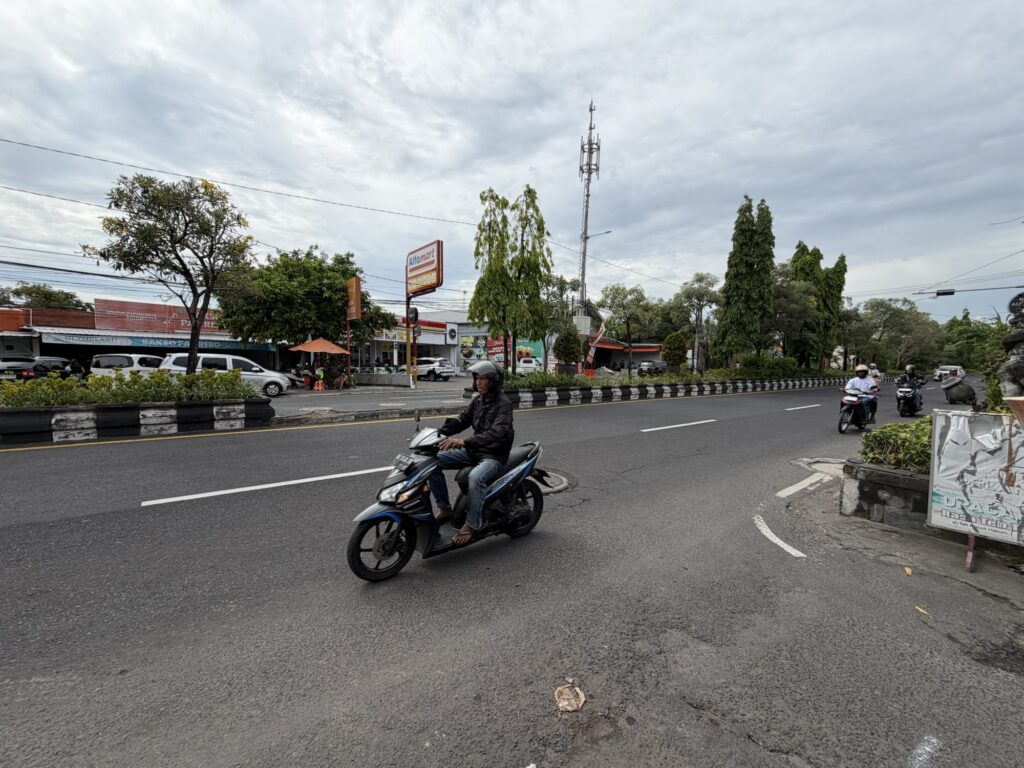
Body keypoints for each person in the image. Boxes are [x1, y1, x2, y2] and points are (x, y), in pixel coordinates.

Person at [428, 360, 514, 545]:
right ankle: (445, 508)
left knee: (475, 477)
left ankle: (473, 524)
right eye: (477, 378)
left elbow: (496, 433)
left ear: (493, 381)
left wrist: (463, 442)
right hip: (475, 450)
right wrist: (438, 433)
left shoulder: (504, 404)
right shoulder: (478, 401)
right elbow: (462, 420)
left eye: (483, 379)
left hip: (493, 455)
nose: (478, 382)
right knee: (431, 463)